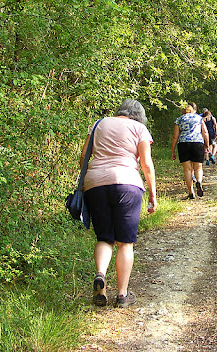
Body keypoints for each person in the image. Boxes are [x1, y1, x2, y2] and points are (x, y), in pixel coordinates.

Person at [80, 99, 157, 308]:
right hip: (127, 183)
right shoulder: (139, 128)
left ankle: (100, 277)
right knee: (125, 242)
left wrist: (88, 181)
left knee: (104, 238)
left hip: (95, 184)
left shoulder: (99, 124)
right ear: (139, 115)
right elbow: (146, 164)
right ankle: (122, 295)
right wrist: (152, 193)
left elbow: (83, 157)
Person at [171, 103, 209, 199]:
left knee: (187, 170)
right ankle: (199, 181)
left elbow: (175, 136)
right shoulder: (198, 118)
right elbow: (205, 132)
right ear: (192, 110)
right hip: (197, 142)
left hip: (183, 144)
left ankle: (191, 192)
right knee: (198, 167)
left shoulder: (179, 119)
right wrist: (207, 145)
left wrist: (173, 151)